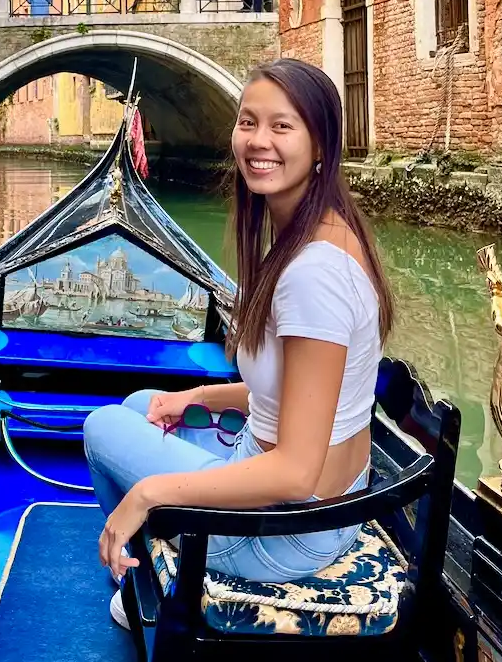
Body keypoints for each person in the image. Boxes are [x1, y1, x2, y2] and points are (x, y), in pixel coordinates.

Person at [83, 58, 394, 629]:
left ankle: (150, 591)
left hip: (284, 533)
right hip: (324, 503)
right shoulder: (321, 232)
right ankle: (147, 564)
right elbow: (296, 397)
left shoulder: (311, 272)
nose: (258, 141)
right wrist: (199, 395)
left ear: (321, 145)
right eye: (248, 122)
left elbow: (297, 470)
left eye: (282, 126)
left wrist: (148, 495)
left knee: (101, 426)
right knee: (141, 407)